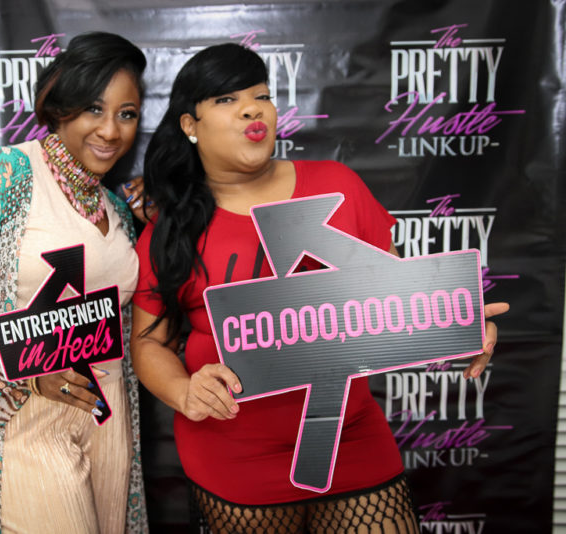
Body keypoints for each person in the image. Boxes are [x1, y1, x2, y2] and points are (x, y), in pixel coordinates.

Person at [131, 43, 508, 533]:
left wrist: (454, 328)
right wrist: (185, 391)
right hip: (234, 450)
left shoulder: (337, 185)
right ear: (190, 125)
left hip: (349, 436)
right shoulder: (171, 227)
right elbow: (148, 344)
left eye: (261, 96)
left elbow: (400, 304)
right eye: (226, 100)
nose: (251, 109)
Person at [0, 32, 149, 533]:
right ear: (60, 108)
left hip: (107, 417)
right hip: (27, 416)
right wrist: (30, 375)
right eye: (94, 109)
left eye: (126, 114)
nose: (111, 130)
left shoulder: (116, 209)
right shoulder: (0, 178)